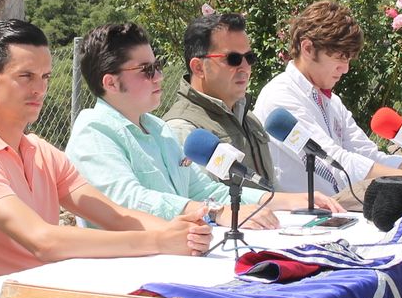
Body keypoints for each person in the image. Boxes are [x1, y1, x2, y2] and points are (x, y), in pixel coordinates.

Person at [0, 19, 212, 282]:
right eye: (26, 76)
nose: (40, 89)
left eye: (46, 76)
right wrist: (160, 240)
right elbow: (43, 241)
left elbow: (115, 216)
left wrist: (181, 231)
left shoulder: (40, 152)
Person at [67, 21, 340, 230]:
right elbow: (129, 200)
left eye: (158, 66)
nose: (159, 76)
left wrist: (288, 201)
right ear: (111, 82)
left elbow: (207, 191)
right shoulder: (93, 131)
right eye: (147, 70)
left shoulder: (159, 129)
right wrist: (215, 213)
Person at [252, 0, 402, 205]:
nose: (345, 69)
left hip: (338, 214)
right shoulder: (280, 96)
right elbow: (335, 161)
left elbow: (368, 156)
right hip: (298, 225)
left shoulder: (330, 101)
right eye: (340, 58)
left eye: (349, 59)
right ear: (307, 48)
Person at [162, 12, 277, 183]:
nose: (245, 67)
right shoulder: (182, 128)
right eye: (233, 59)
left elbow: (272, 190)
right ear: (199, 67)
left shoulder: (249, 119)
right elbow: (204, 201)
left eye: (249, 58)